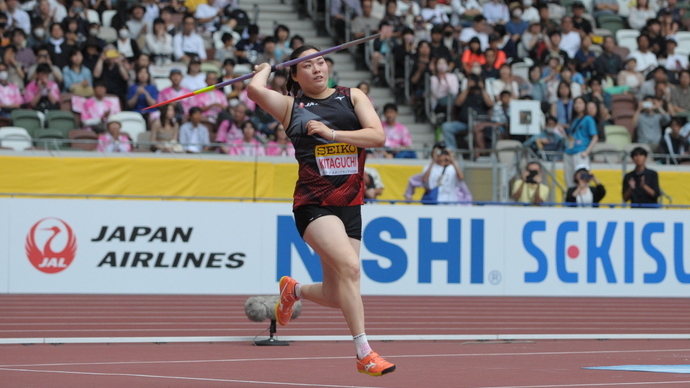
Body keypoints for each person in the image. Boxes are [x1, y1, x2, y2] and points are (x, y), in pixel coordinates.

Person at [246, 45, 395, 376]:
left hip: (351, 205)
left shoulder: (352, 96)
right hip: (313, 204)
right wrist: (266, 67)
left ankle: (293, 291)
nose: (317, 69)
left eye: (320, 62)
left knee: (336, 293)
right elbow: (255, 90)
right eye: (307, 65)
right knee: (351, 269)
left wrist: (332, 134)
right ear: (295, 75)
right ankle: (364, 353)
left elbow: (377, 136)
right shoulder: (291, 107)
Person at [564, 96, 598, 189]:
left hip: (581, 151)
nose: (577, 105)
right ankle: (571, 201)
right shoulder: (574, 120)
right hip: (569, 151)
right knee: (569, 181)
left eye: (580, 103)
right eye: (576, 103)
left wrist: (587, 151)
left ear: (585, 105)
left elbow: (595, 137)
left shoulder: (588, 119)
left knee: (583, 180)